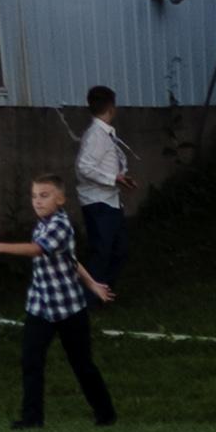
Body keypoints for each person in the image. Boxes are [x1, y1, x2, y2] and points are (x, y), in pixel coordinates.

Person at [0, 173, 116, 429]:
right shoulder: (42, 225)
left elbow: (37, 250)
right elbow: (70, 259)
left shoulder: (61, 225)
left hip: (69, 308)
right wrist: (92, 284)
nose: (37, 201)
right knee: (31, 361)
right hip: (40, 307)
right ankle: (32, 419)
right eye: (34, 196)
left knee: (82, 364)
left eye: (44, 196)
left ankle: (106, 414)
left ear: (60, 199)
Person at [70, 88, 134, 298]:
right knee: (102, 251)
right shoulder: (96, 135)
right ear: (111, 107)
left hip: (110, 200)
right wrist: (113, 178)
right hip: (98, 202)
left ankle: (104, 292)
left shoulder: (105, 134)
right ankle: (89, 298)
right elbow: (84, 167)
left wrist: (119, 178)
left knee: (119, 249)